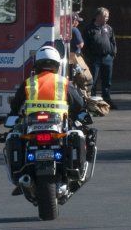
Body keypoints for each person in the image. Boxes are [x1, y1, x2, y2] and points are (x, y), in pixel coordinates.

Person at [7, 45, 86, 195]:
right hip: (58, 127)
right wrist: (77, 115)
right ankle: (76, 172)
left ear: (37, 64)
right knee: (78, 135)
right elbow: (79, 104)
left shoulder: (29, 82)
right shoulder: (63, 82)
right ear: (56, 65)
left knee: (15, 137)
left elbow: (16, 104)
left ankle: (20, 173)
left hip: (33, 128)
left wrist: (13, 115)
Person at [85, 6, 118, 109]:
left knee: (107, 81)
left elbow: (113, 41)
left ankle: (107, 100)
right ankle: (93, 103)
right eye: (105, 17)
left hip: (107, 58)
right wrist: (89, 57)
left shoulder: (108, 28)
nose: (107, 19)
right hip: (95, 59)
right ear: (98, 16)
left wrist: (113, 53)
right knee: (93, 81)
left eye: (107, 17)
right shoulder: (89, 29)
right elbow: (85, 45)